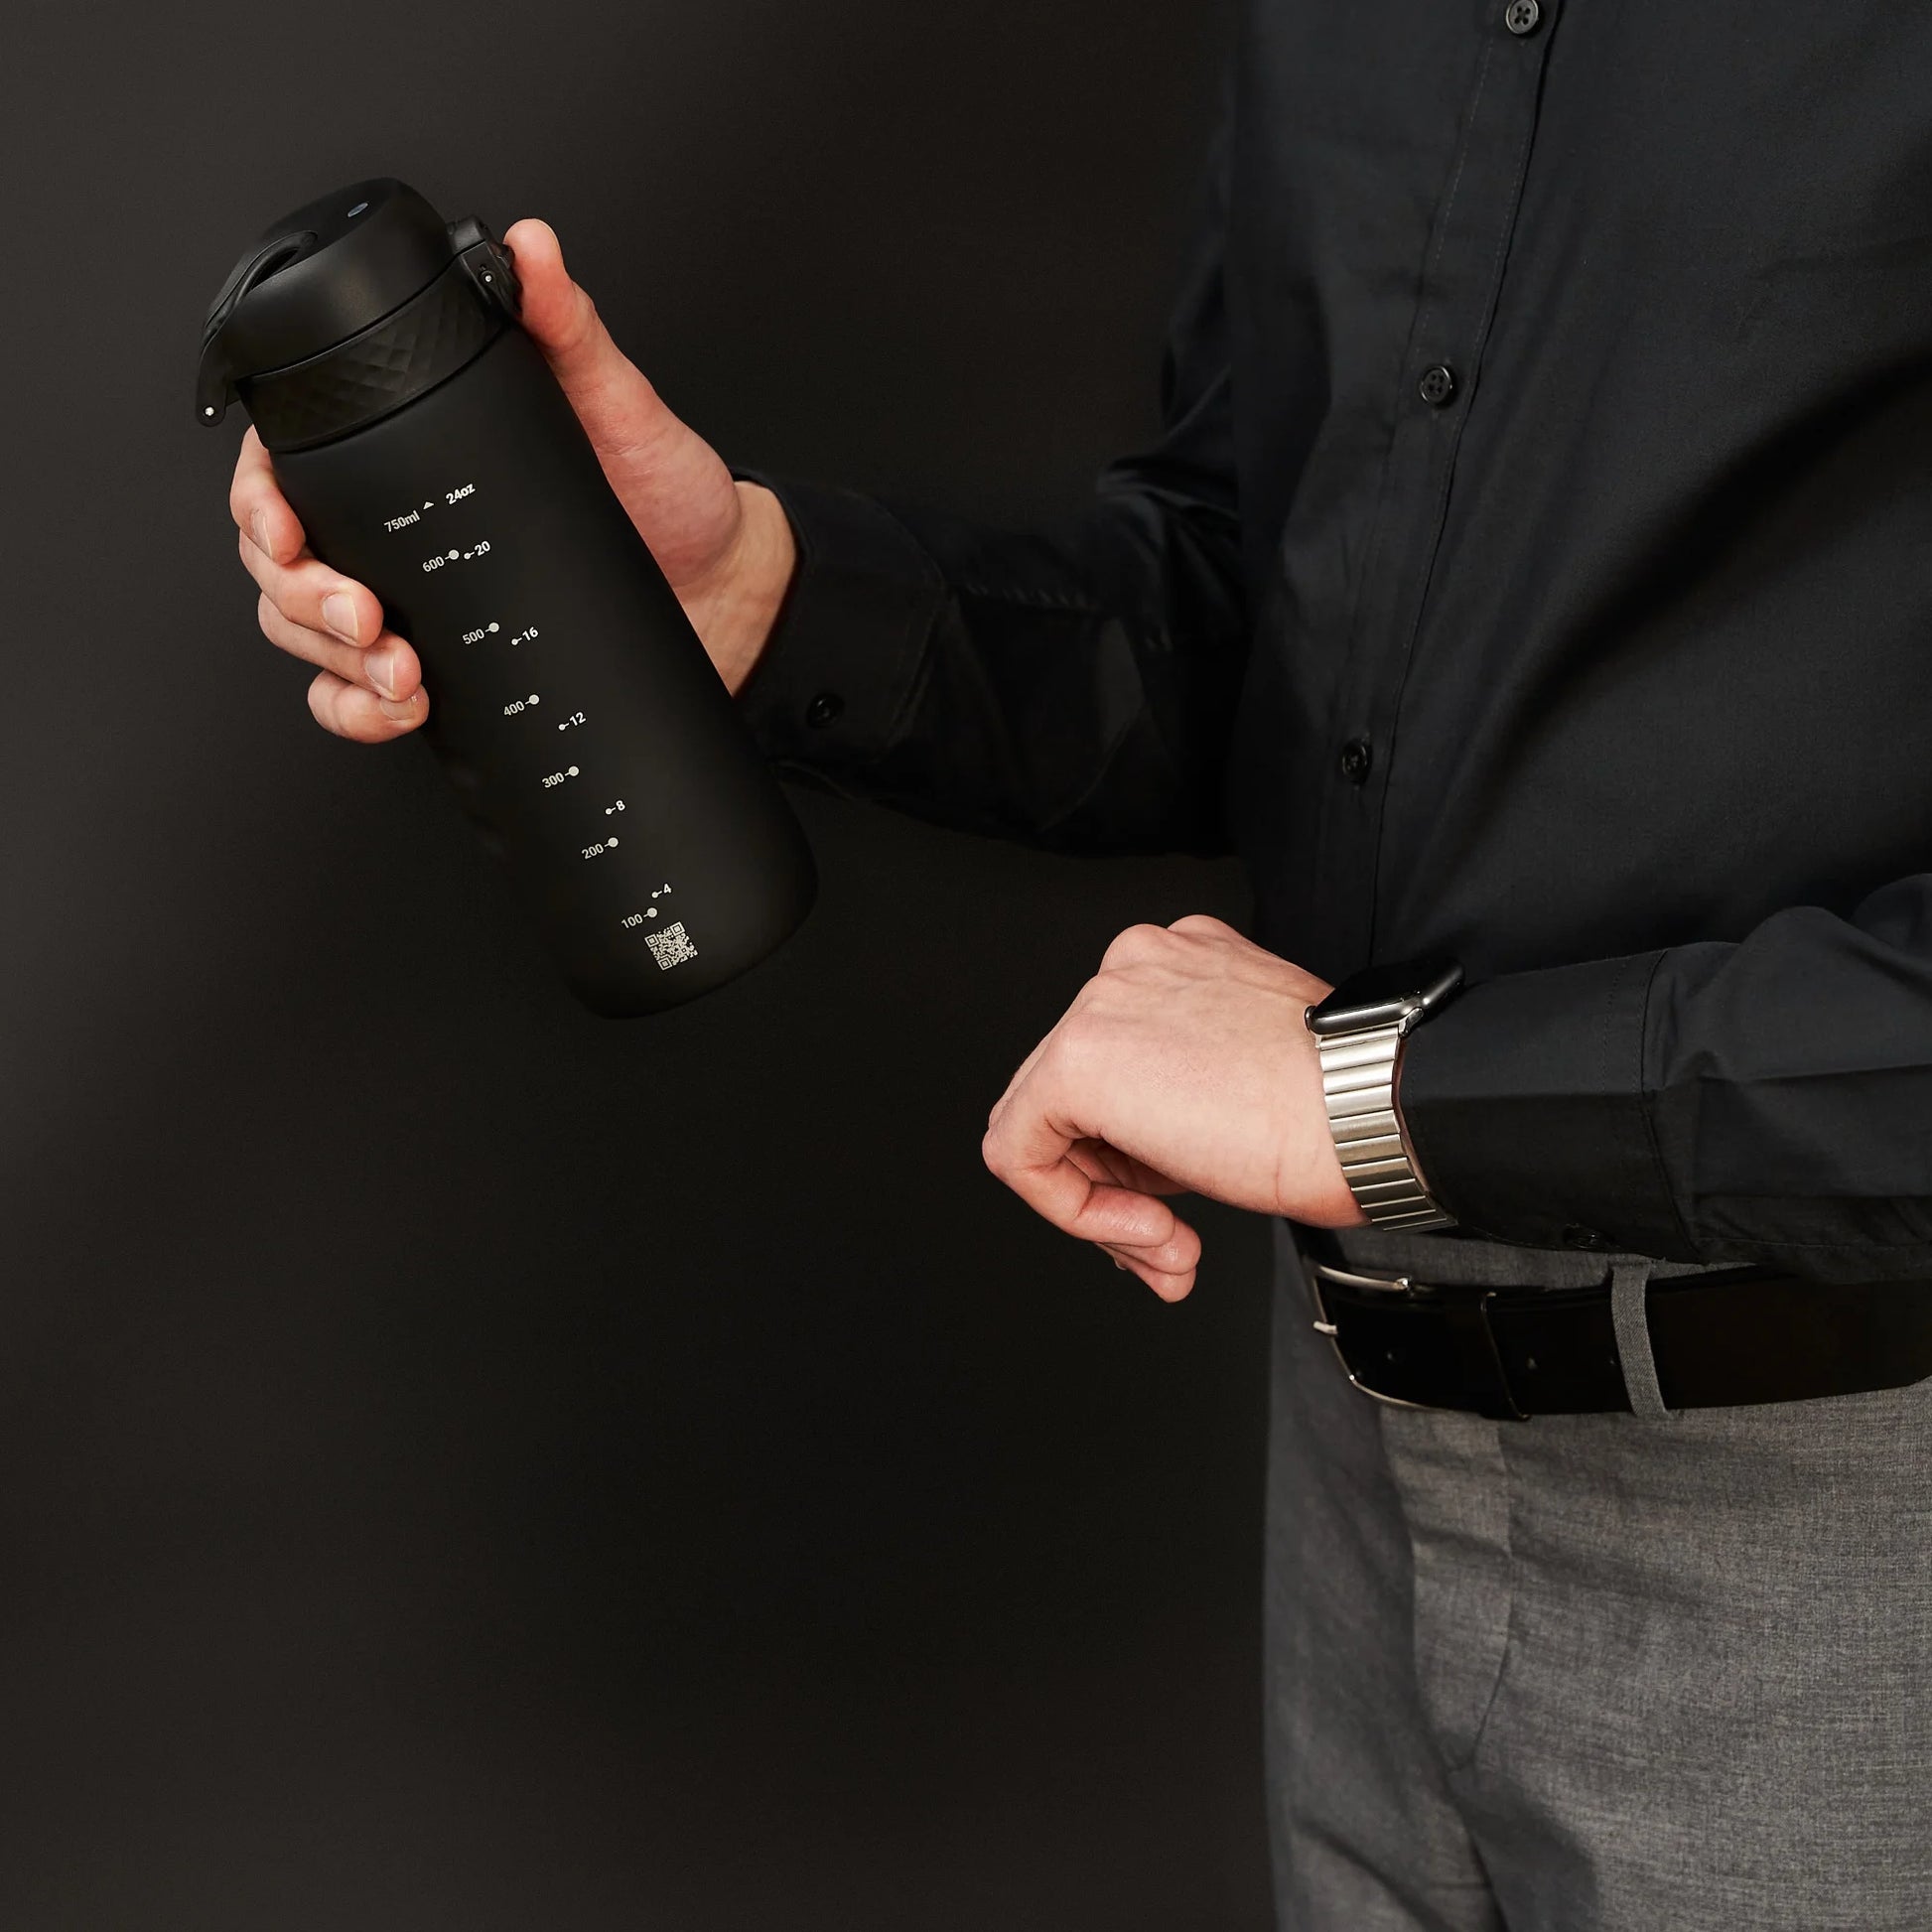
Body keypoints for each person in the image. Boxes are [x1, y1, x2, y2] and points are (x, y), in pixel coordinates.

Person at [225, 7, 1932, 1923]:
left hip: (1856, 1509)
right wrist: (755, 592)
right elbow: (1283, 606)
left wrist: (1373, 1092)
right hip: (1374, 1490)